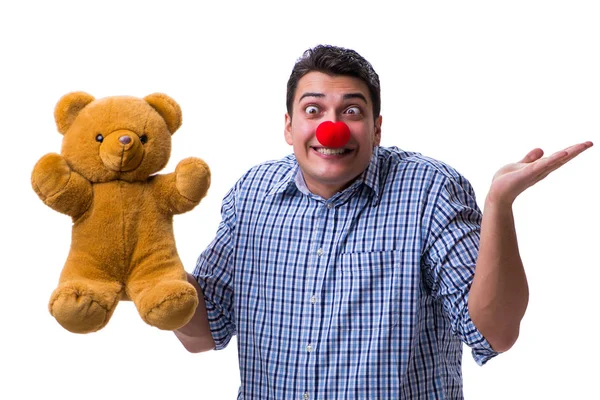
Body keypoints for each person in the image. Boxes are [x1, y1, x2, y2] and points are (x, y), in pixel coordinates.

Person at [174, 45, 593, 399]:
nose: (331, 128)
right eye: (313, 109)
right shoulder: (253, 192)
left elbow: (495, 332)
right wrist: (147, 259)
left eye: (351, 110)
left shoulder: (429, 190)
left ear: (376, 129)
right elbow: (202, 331)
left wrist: (499, 205)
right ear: (289, 126)